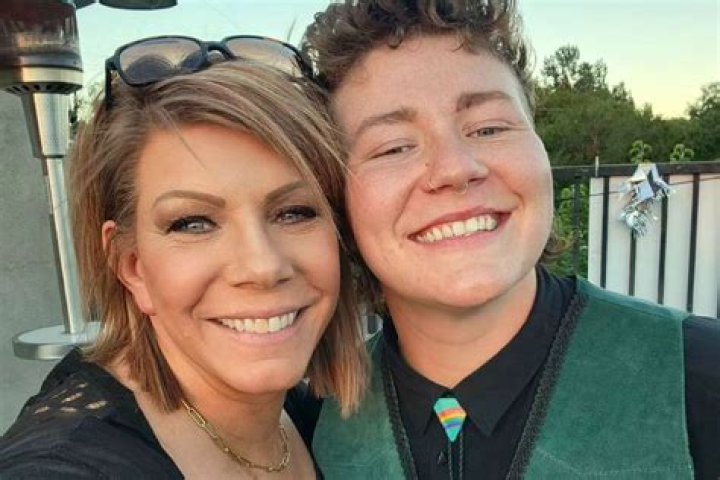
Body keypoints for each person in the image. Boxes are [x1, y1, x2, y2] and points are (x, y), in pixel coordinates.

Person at [300, 1, 720, 478]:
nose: (456, 168)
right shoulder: (311, 425)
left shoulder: (698, 378)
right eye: (394, 147)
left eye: (488, 128)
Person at [0, 35, 367, 479]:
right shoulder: (63, 466)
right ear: (131, 266)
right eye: (193, 223)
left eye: (294, 212)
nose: (262, 267)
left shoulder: (321, 420)